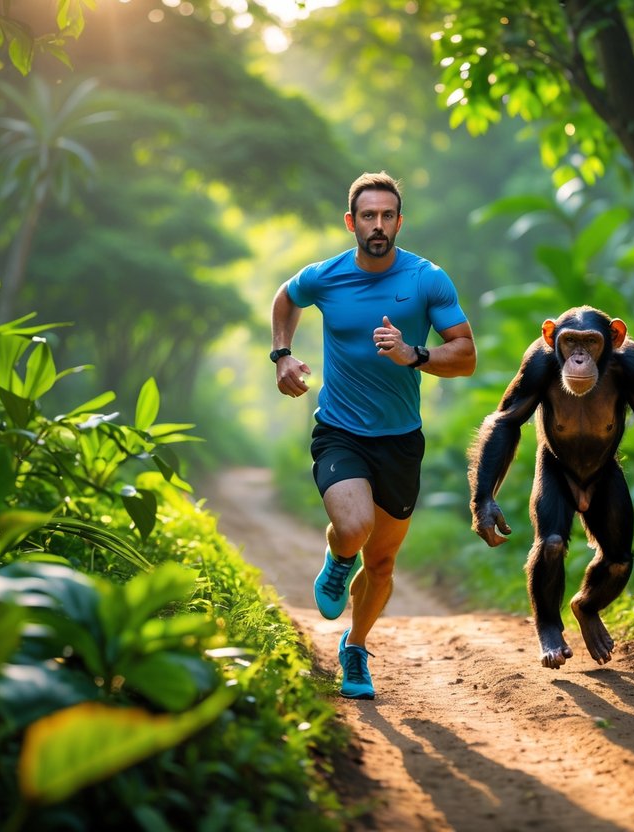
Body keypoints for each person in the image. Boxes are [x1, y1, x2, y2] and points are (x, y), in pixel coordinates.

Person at [270, 171, 476, 700]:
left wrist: (415, 354)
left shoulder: (427, 279)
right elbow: (285, 299)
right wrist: (282, 355)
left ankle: (355, 647)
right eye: (368, 216)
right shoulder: (327, 276)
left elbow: (466, 356)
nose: (378, 225)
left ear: (399, 222)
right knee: (354, 526)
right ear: (351, 222)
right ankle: (338, 562)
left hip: (401, 439)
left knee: (382, 562)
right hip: (339, 429)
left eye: (387, 216)